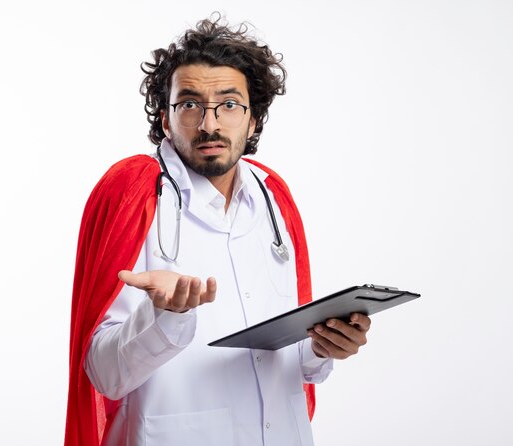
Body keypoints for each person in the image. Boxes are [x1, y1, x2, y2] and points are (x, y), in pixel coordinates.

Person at [64, 14, 371, 446]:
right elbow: (102, 374)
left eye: (229, 105)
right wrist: (164, 316)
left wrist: (322, 346)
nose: (210, 124)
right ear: (166, 119)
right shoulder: (135, 194)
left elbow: (285, 359)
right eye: (189, 104)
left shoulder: (273, 198)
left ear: (254, 118)